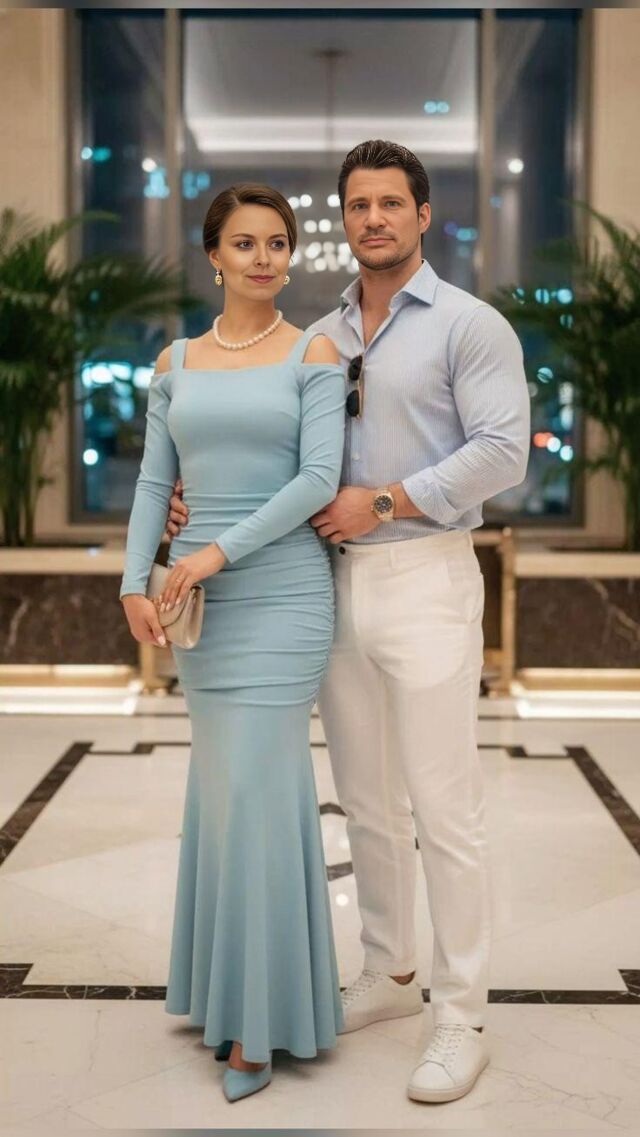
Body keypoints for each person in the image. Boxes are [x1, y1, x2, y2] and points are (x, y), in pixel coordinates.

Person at [168, 140, 531, 1105]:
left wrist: (387, 500)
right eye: (358, 205)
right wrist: (189, 500)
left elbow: (504, 452)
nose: (373, 218)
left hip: (425, 574)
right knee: (366, 799)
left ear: (423, 215)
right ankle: (389, 967)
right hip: (326, 583)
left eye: (390, 203)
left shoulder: (469, 325)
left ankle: (462, 1012)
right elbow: (271, 455)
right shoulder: (321, 334)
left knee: (444, 807)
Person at [120, 182, 346, 1103]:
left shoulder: (312, 351)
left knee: (257, 792)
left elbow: (319, 479)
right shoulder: (174, 360)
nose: (264, 258)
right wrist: (133, 580)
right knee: (223, 797)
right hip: (197, 608)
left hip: (282, 596)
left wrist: (214, 549)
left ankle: (258, 1025)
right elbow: (153, 480)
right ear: (213, 254)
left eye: (277, 242)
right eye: (245, 243)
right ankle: (229, 993)